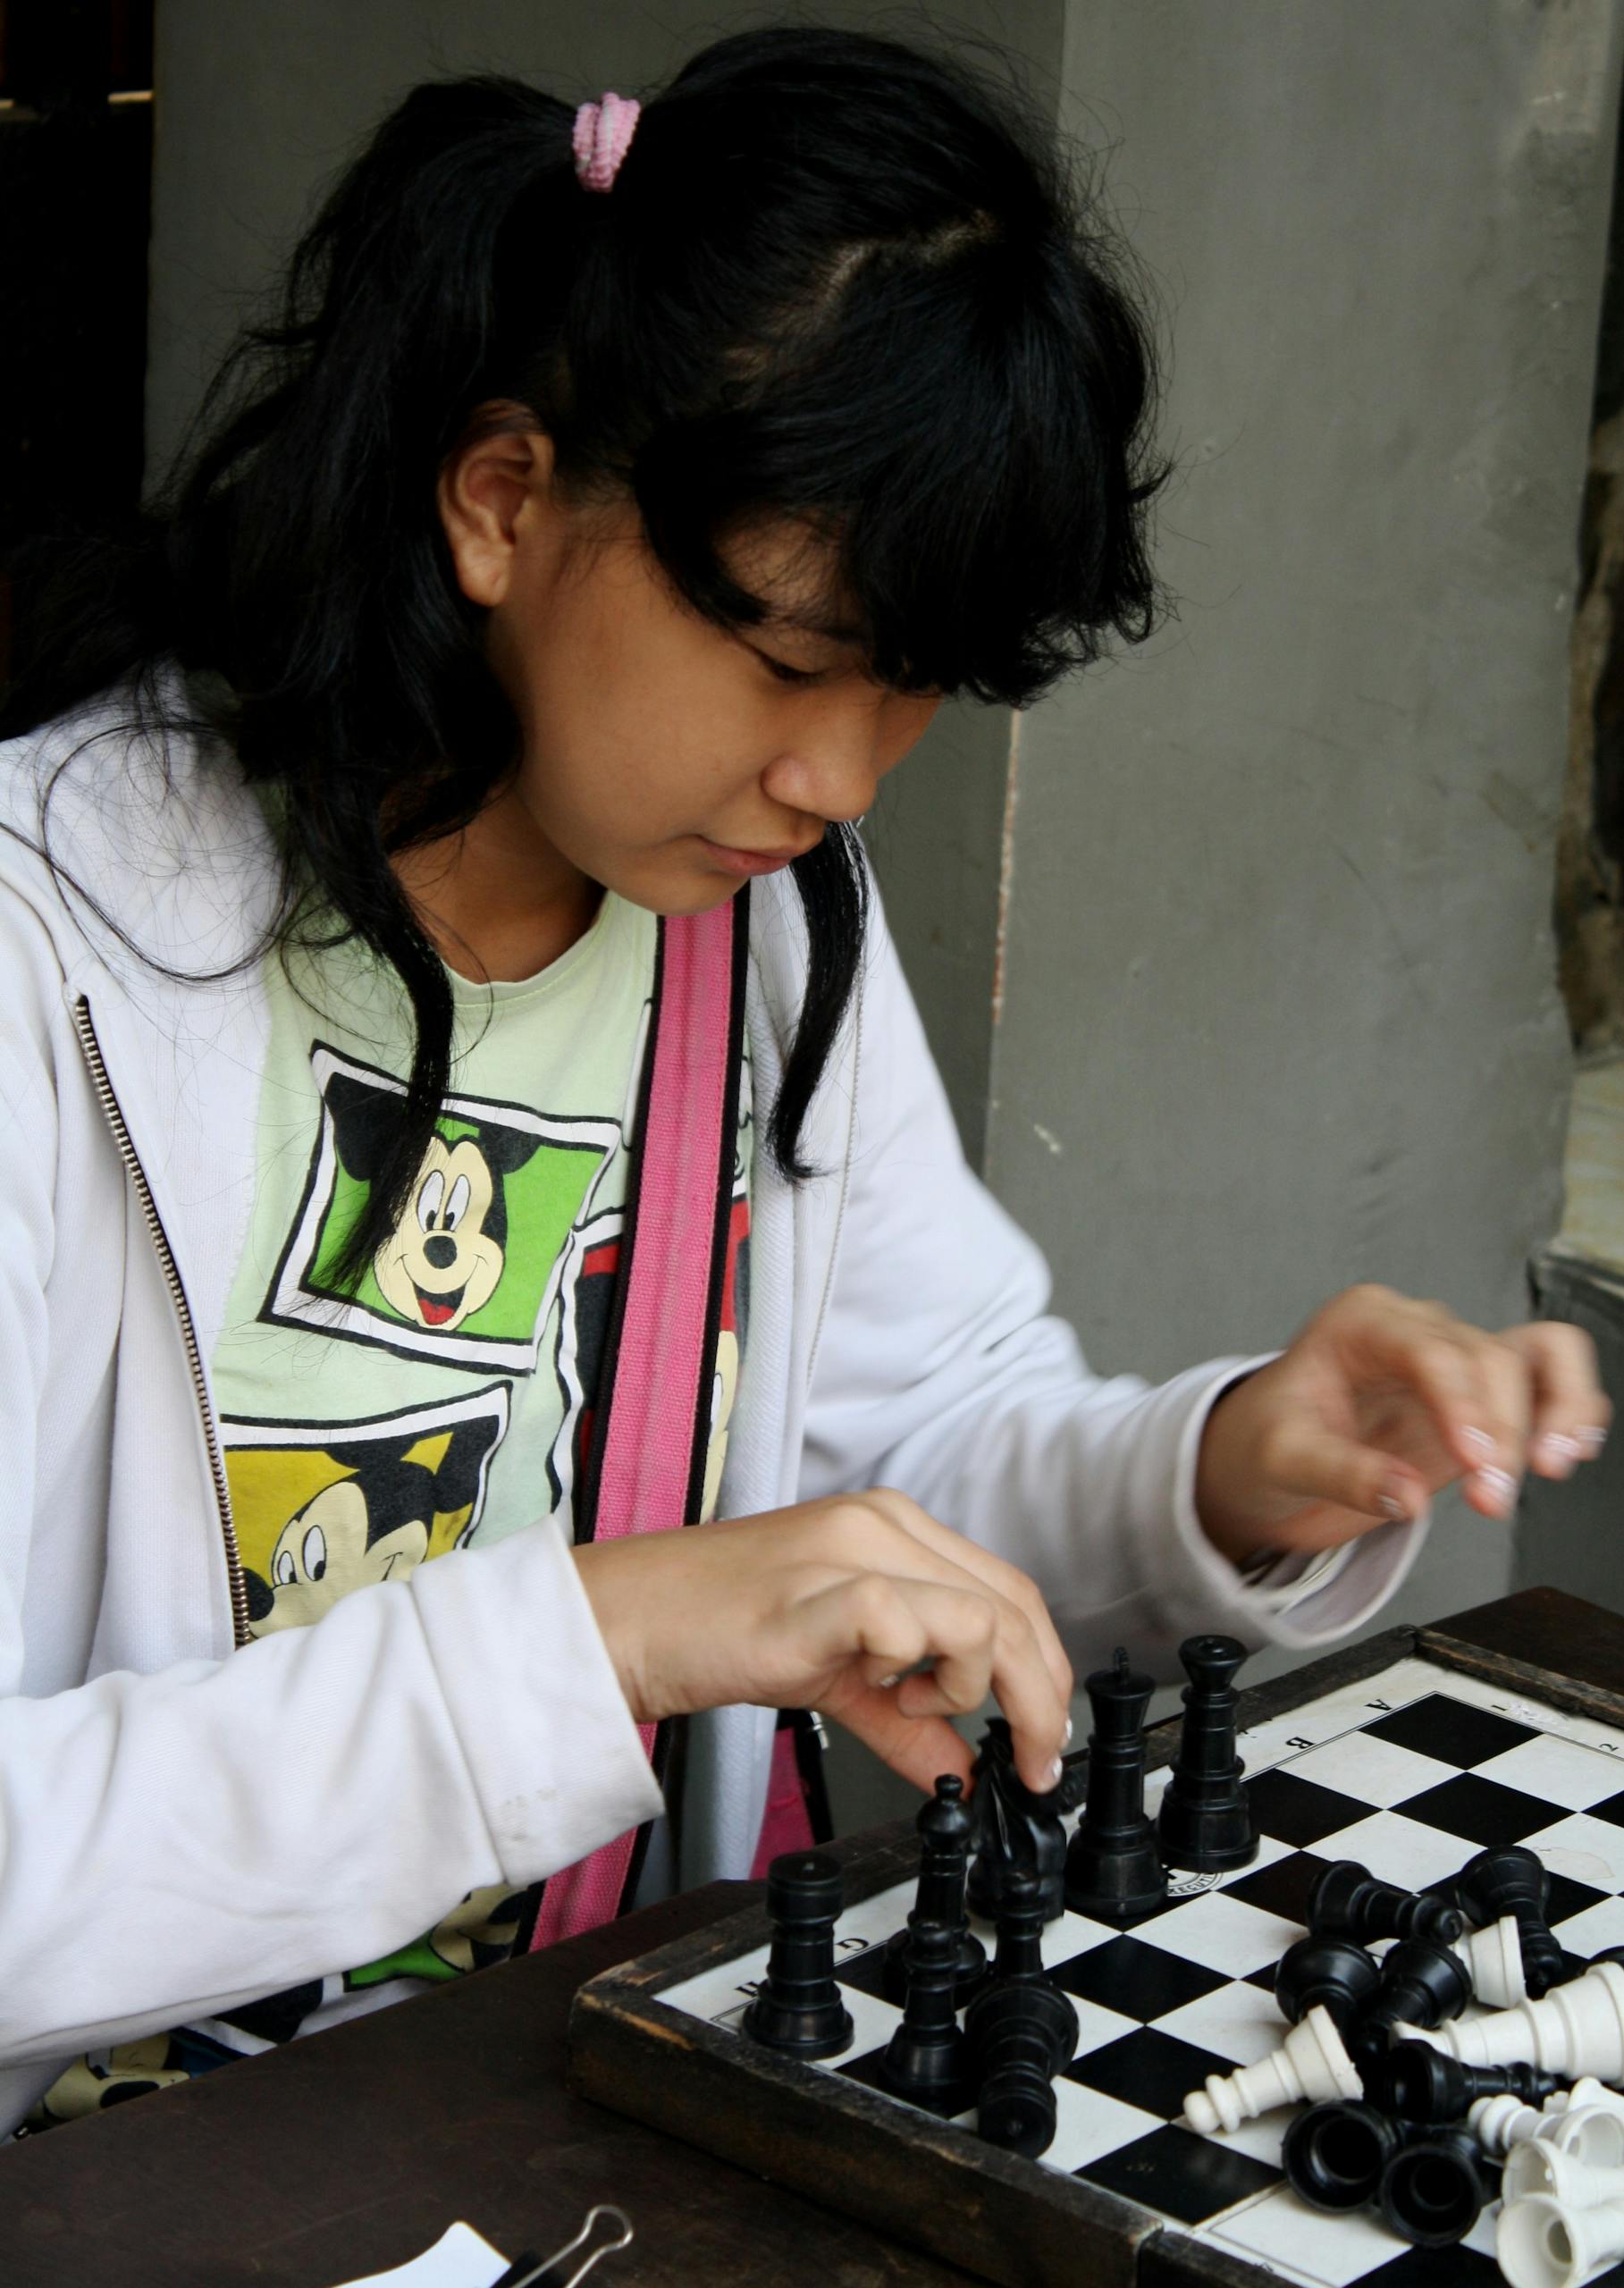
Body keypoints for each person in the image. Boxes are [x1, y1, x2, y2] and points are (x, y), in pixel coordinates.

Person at [0, 26, 1604, 2142]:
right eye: (782, 655)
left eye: (912, 690)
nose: (835, 778)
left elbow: (901, 1481)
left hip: (561, 2120)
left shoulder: (750, 931)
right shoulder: (49, 952)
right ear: (502, 500)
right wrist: (606, 1632)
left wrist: (1211, 1471)